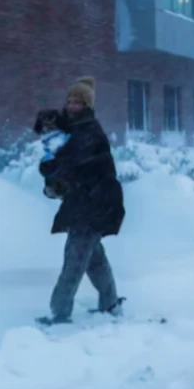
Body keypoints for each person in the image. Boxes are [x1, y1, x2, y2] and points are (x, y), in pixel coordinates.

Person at [36, 77, 125, 325]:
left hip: (96, 203)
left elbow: (69, 163)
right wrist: (46, 121)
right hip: (87, 202)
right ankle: (110, 303)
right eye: (69, 100)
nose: (71, 105)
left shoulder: (90, 133)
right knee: (94, 258)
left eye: (77, 102)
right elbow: (55, 132)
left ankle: (59, 312)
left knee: (74, 259)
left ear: (87, 105)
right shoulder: (75, 129)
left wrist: (51, 173)